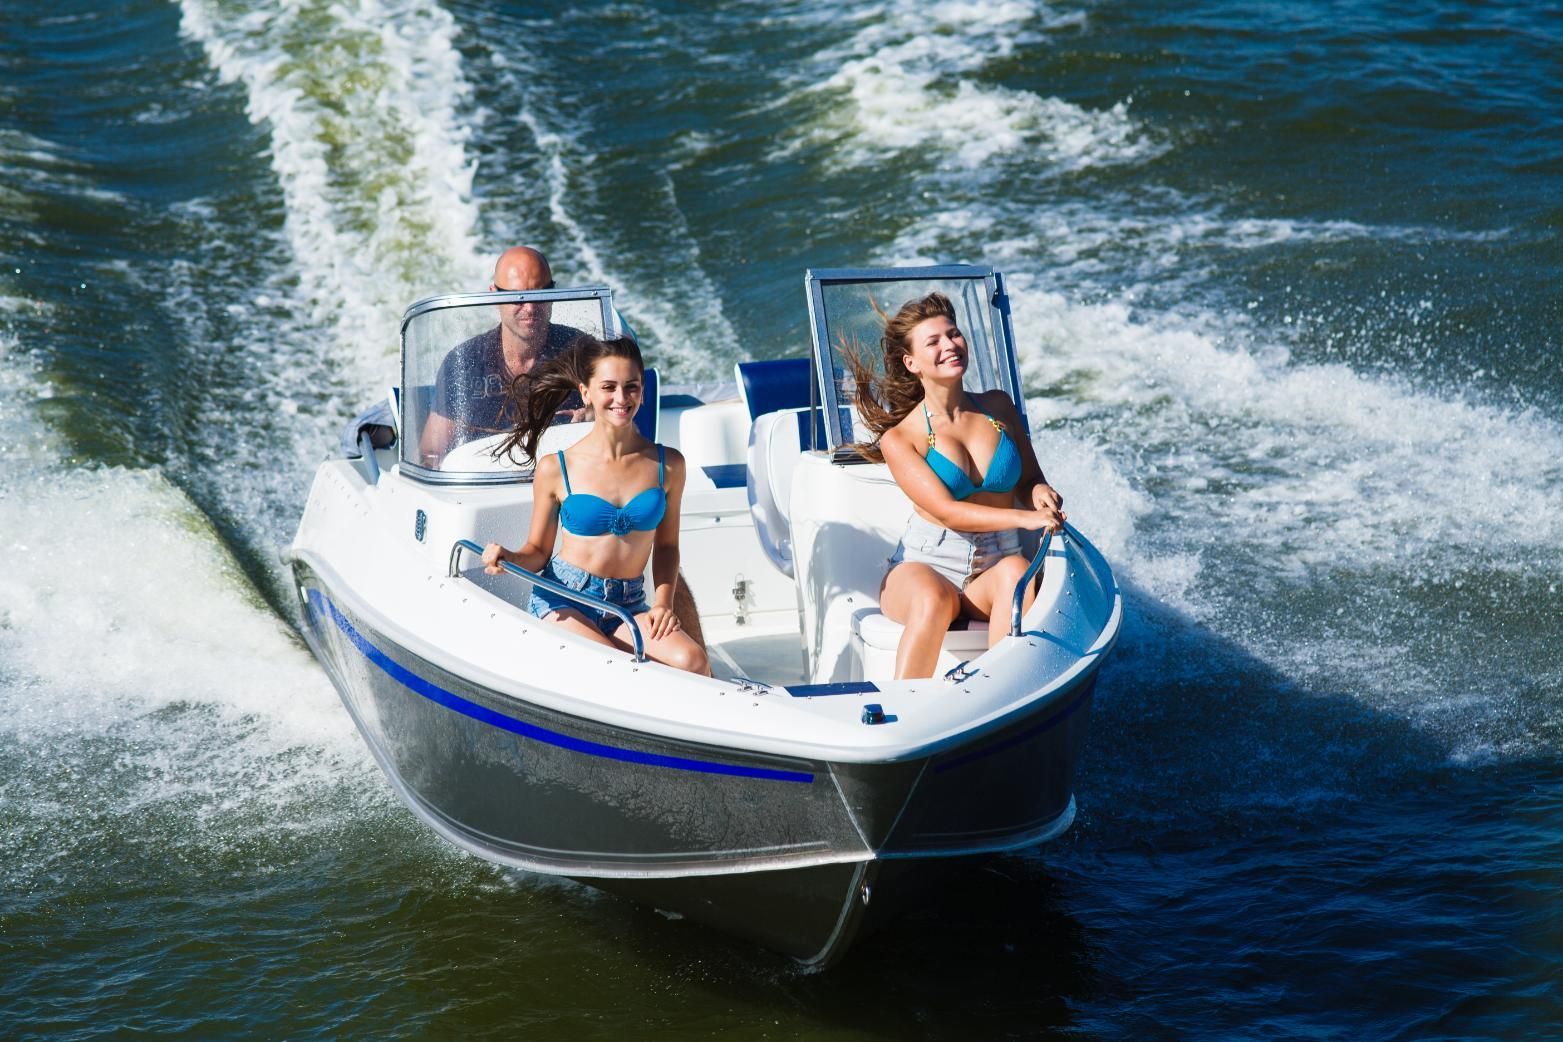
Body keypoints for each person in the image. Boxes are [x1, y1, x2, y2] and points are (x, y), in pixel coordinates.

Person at [848, 291, 1066, 680]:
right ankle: (905, 713)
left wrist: (1039, 493)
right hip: (926, 568)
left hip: (995, 567)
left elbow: (1031, 478)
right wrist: (1027, 518)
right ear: (911, 362)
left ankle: (1000, 696)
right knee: (932, 600)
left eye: (954, 334)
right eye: (934, 341)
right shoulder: (901, 439)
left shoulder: (998, 408)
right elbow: (946, 510)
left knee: (1017, 573)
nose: (950, 345)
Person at [481, 335, 711, 676]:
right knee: (617, 670)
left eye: (631, 386)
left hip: (628, 603)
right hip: (565, 600)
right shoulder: (555, 468)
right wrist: (510, 558)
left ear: (643, 391)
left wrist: (662, 604)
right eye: (609, 387)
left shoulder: (669, 465)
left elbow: (666, 547)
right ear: (586, 392)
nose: (621, 398)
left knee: (693, 662)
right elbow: (537, 552)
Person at [417, 246, 584, 467]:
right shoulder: (464, 363)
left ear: (553, 293)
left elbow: (622, 430)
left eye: (540, 295)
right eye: (518, 297)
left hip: (565, 484)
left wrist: (595, 423)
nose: (530, 308)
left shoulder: (583, 354)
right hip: (486, 492)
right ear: (494, 296)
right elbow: (430, 454)